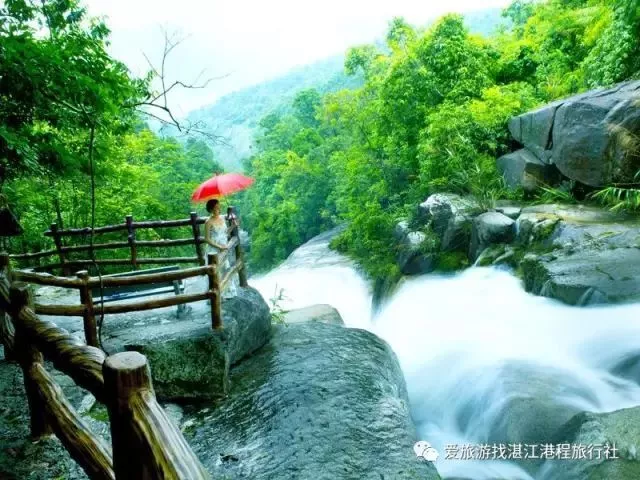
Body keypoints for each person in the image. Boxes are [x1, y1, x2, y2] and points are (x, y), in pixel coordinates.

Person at [204, 199, 238, 298]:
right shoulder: (208, 222)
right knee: (216, 271)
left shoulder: (222, 218)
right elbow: (207, 239)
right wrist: (219, 247)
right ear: (210, 209)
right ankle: (217, 295)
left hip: (223, 247)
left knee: (225, 269)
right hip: (214, 249)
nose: (217, 209)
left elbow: (225, 233)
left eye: (218, 207)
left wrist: (233, 226)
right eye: (215, 208)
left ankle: (228, 292)